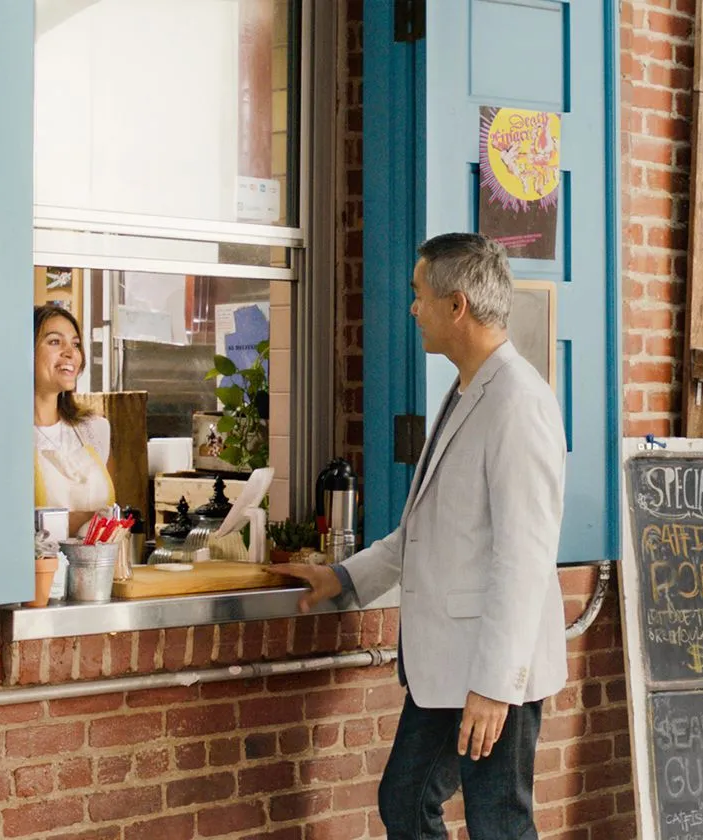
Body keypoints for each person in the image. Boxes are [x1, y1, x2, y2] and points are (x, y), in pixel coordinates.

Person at [275, 233, 568, 839]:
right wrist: (343, 577)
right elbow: (421, 531)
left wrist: (493, 686)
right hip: (444, 670)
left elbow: (525, 558)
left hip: (491, 672)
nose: (412, 308)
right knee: (405, 802)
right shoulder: (465, 390)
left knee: (498, 824)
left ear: (455, 305)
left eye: (418, 294)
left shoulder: (518, 401)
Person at [32, 304, 114, 535]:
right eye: (55, 342)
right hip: (35, 570)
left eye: (76, 344)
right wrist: (83, 520)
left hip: (95, 567)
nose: (70, 353)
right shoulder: (4, 435)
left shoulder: (96, 429)